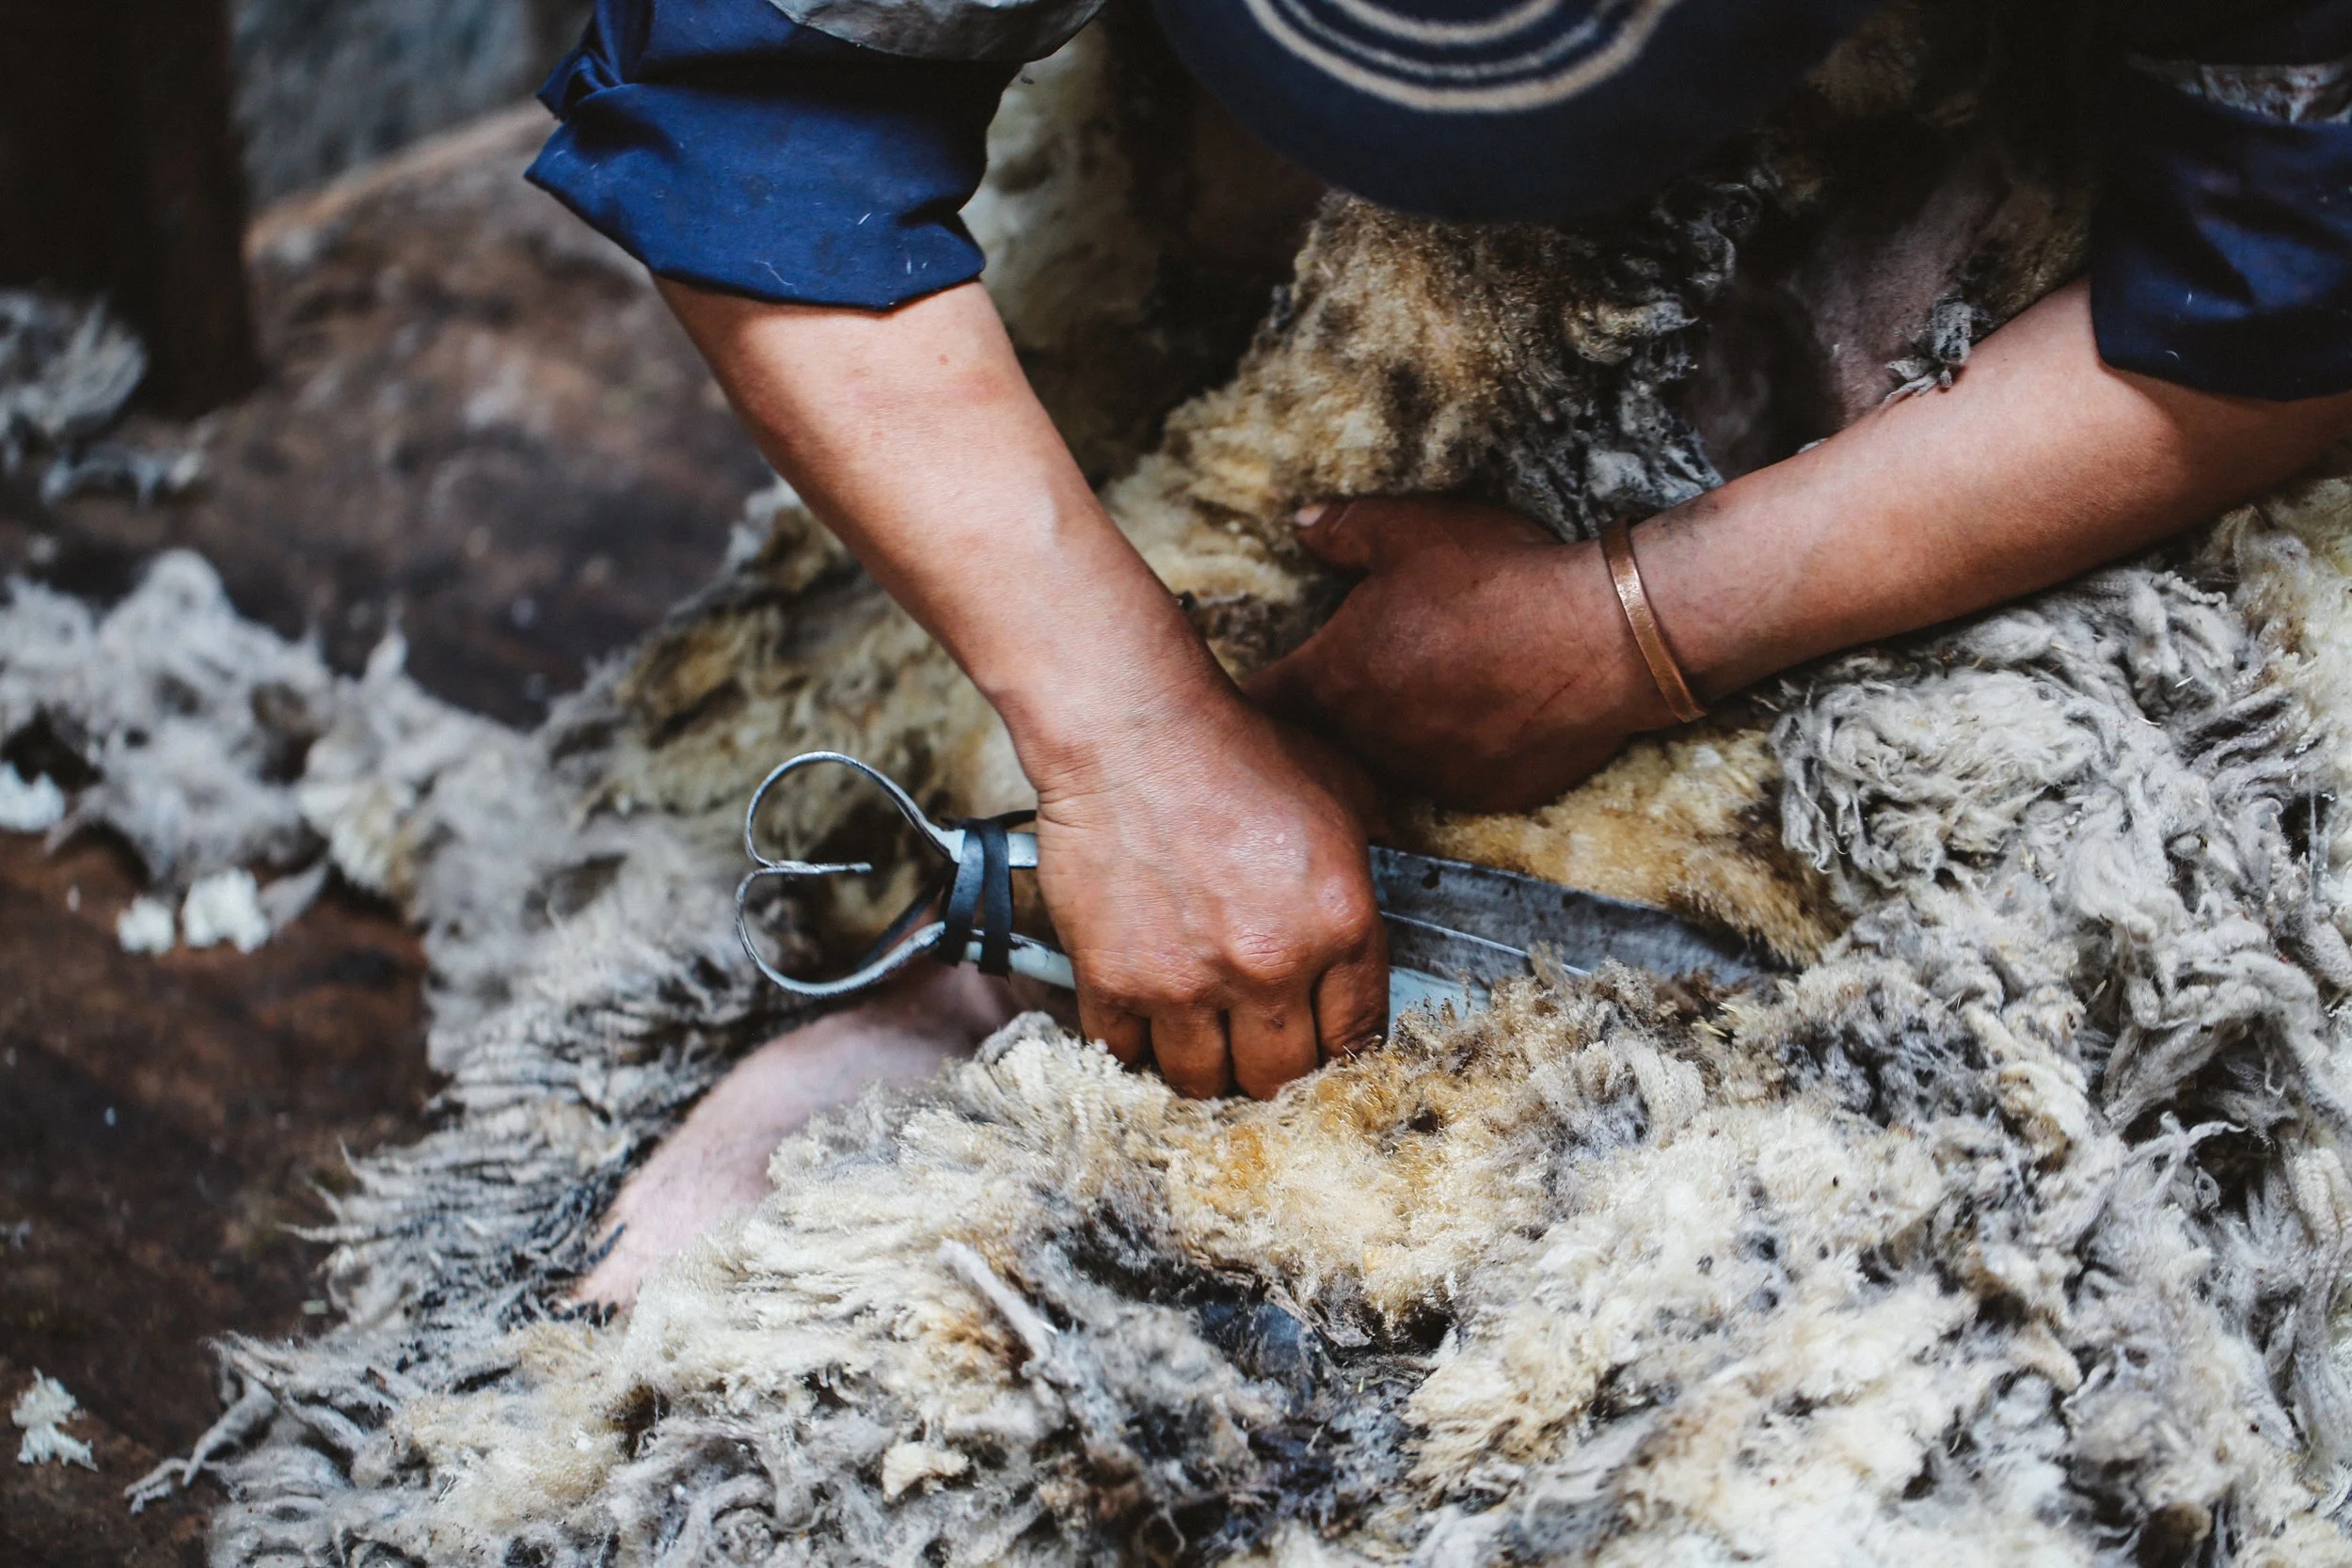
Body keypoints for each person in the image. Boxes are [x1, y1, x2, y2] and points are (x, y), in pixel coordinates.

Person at [528, 0, 2352, 1303]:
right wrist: (1124, 723)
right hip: (1295, 257)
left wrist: (1644, 618)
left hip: (1996, 197)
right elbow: (754, 92)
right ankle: (988, 952)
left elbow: (2285, 277)